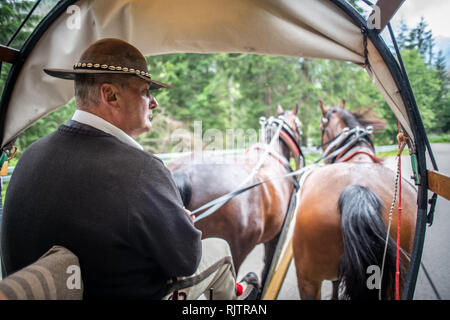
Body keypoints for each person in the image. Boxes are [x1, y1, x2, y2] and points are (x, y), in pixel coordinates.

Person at [0, 38, 259, 300]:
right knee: (220, 249)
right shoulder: (142, 170)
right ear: (111, 95)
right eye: (145, 91)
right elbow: (187, 260)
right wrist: (182, 226)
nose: (154, 103)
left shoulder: (30, 156)